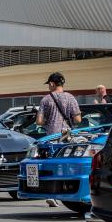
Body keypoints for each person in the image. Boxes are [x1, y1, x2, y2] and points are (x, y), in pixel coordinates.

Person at [37, 72, 81, 208]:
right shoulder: (71, 97)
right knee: (66, 165)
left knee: (51, 166)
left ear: (52, 84)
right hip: (67, 136)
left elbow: (39, 121)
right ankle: (69, 193)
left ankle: (51, 195)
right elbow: (78, 119)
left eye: (48, 84)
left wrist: (48, 122)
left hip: (52, 137)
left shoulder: (46, 99)